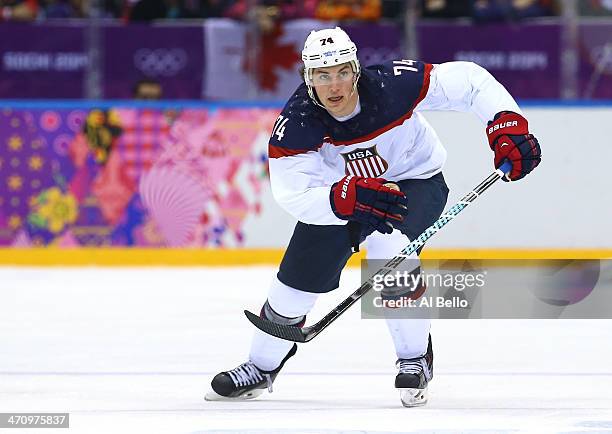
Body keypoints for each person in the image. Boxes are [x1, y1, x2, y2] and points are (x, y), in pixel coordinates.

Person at [205, 26, 541, 407]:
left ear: (356, 70)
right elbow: (292, 194)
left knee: (391, 250)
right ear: (307, 78)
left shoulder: (392, 86)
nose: (335, 85)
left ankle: (415, 358)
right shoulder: (297, 123)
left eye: (343, 72)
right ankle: (261, 366)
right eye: (323, 75)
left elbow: (469, 81)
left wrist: (506, 123)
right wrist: (339, 200)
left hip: (414, 180)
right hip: (343, 195)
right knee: (294, 283)